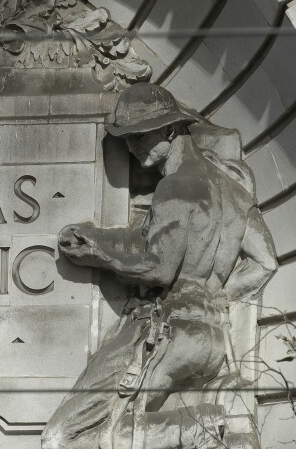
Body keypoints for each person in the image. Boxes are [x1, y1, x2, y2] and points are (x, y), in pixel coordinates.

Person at [42, 83, 278, 449]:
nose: (131, 147)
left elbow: (158, 268)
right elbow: (265, 263)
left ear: (170, 130)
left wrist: (98, 254)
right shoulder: (236, 194)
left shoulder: (174, 188)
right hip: (212, 341)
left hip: (163, 332)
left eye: (138, 136)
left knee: (63, 436)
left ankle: (201, 426)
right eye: (126, 139)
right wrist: (215, 300)